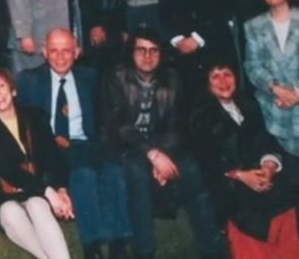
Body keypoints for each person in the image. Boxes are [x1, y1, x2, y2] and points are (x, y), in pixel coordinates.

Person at [101, 29, 222, 259]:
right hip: (127, 146)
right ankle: (144, 251)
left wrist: (162, 156)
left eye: (153, 50)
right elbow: (119, 126)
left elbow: (176, 126)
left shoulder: (172, 78)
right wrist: (153, 155)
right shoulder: (116, 76)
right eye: (141, 50)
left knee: (191, 168)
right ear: (131, 53)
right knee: (138, 171)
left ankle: (212, 249)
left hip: (162, 146)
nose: (147, 56)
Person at [16, 28, 131, 259]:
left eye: (66, 51)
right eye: (54, 51)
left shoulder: (91, 77)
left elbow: (104, 119)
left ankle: (119, 244)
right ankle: (92, 246)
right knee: (84, 175)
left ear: (77, 52)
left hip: (86, 143)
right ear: (44, 52)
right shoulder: (30, 80)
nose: (60, 57)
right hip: (51, 149)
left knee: (114, 171)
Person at [190, 62, 298, 259]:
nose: (223, 81)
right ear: (207, 84)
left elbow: (266, 141)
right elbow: (207, 160)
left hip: (262, 176)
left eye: (227, 74)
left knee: (287, 196)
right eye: (215, 76)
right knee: (249, 212)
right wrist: (241, 175)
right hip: (229, 182)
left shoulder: (249, 104)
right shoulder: (201, 116)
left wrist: (269, 165)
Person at [0, 67, 72, 259]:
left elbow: (53, 155)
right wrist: (49, 192)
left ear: (13, 90)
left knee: (37, 205)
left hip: (37, 191)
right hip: (7, 194)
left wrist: (61, 189)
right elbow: (9, 171)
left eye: (2, 86)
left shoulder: (35, 116)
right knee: (10, 212)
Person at [244, 0, 299, 169]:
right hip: (272, 107)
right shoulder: (253, 26)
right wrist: (276, 89)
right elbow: (252, 66)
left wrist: (295, 93)